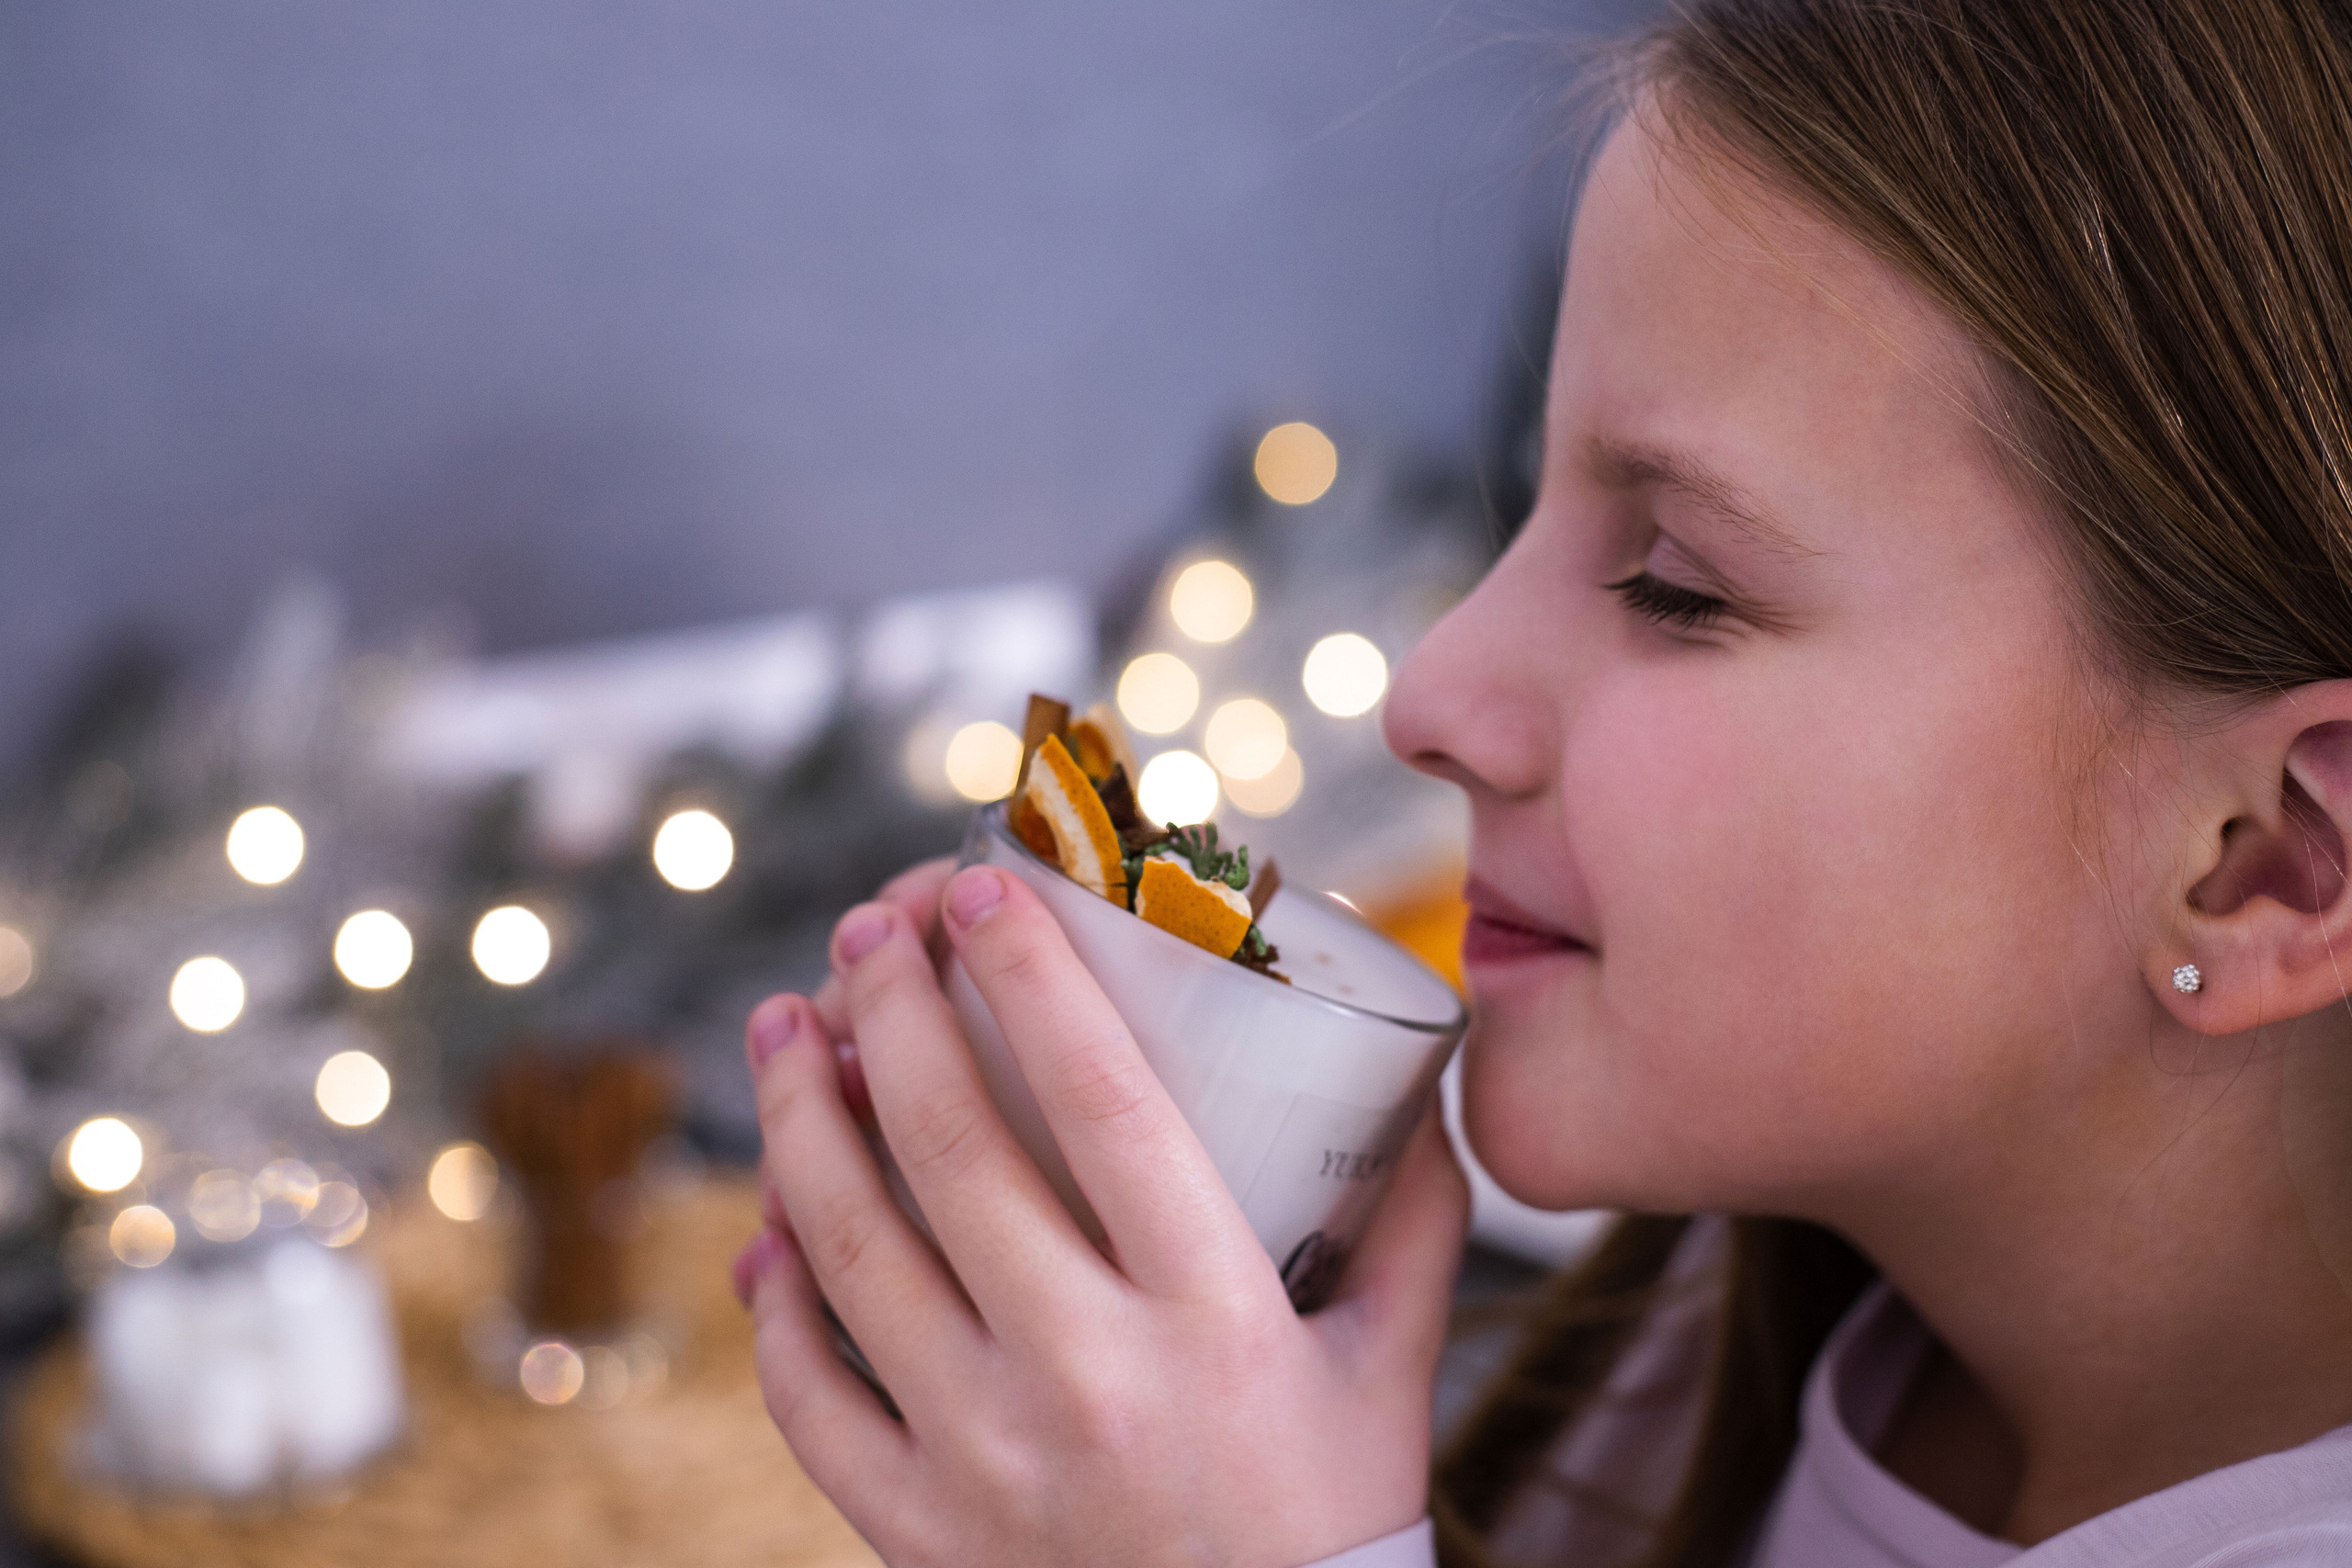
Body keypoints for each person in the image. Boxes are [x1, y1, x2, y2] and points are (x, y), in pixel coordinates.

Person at [731, 0, 2352, 1561]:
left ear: (2270, 862)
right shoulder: (1707, 1347)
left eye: (1675, 579)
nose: (1431, 698)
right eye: (1526, 509)